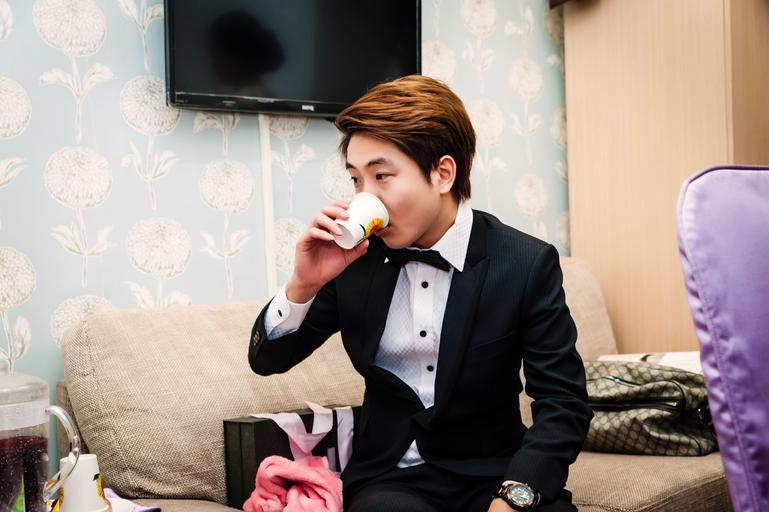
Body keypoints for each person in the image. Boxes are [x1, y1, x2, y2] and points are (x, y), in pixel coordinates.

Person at [248, 75, 592, 512]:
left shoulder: (524, 263)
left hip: (495, 474)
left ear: (443, 173)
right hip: (391, 481)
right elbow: (268, 360)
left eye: (382, 176)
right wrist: (304, 283)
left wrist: (514, 496)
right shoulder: (353, 260)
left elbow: (563, 403)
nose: (366, 198)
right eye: (356, 180)